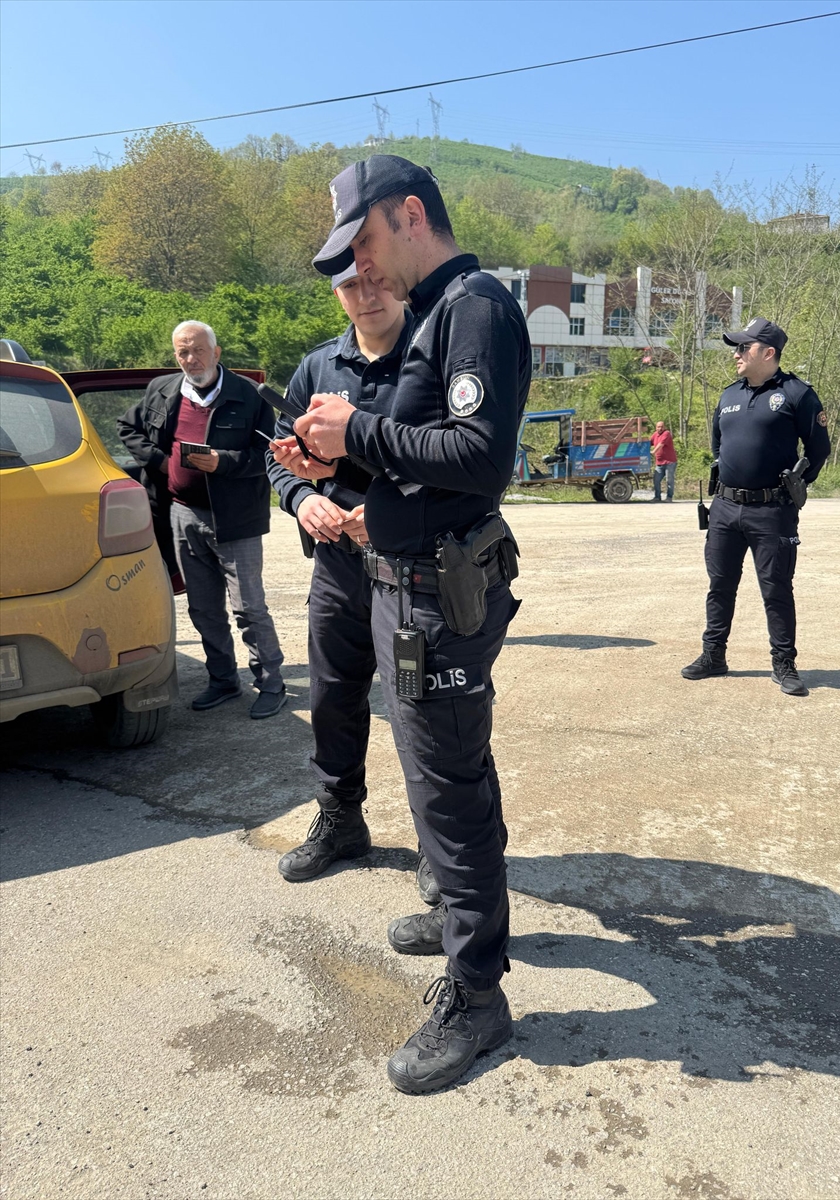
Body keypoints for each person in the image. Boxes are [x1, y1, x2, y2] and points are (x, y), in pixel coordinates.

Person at [298, 154, 531, 1094]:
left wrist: (355, 430)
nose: (358, 269)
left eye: (362, 241)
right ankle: (462, 916)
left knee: (446, 784)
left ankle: (477, 996)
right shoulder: (435, 314)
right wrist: (335, 466)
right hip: (408, 584)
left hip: (441, 592)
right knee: (448, 768)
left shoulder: (473, 306)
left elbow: (479, 455)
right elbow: (415, 463)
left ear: (408, 214)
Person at [265, 264, 438, 906]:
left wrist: (389, 513)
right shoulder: (318, 368)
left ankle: (438, 843)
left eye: (375, 279)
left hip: (413, 568)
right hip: (337, 565)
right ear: (336, 295)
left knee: (420, 706)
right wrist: (302, 498)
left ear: (397, 278)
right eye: (349, 286)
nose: (366, 296)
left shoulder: (431, 359)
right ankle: (341, 820)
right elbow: (278, 457)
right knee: (333, 695)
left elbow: (459, 459)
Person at [118, 321, 287, 719]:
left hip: (235, 520)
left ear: (216, 352)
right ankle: (223, 680)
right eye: (183, 352)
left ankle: (271, 684)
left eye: (198, 350)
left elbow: (271, 454)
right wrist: (162, 463)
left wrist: (222, 462)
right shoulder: (162, 389)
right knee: (203, 608)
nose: (191, 359)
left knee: (249, 608)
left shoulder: (249, 395)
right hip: (181, 514)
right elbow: (128, 427)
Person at [682, 317, 831, 697]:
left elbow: (818, 449)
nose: (736, 354)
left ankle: (784, 663)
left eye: (743, 347)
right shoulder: (729, 395)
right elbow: (718, 445)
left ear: (768, 353)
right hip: (725, 508)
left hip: (772, 511)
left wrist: (796, 485)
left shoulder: (797, 394)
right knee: (720, 585)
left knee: (776, 588)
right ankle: (713, 655)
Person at [650, 420, 677, 501]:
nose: (660, 428)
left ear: (664, 427)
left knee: (669, 480)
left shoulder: (666, 433)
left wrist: (653, 452)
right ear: (656, 428)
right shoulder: (655, 435)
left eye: (662, 427)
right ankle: (657, 497)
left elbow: (660, 444)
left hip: (669, 462)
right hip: (659, 463)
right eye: (658, 427)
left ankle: (669, 497)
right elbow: (648, 443)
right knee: (656, 479)